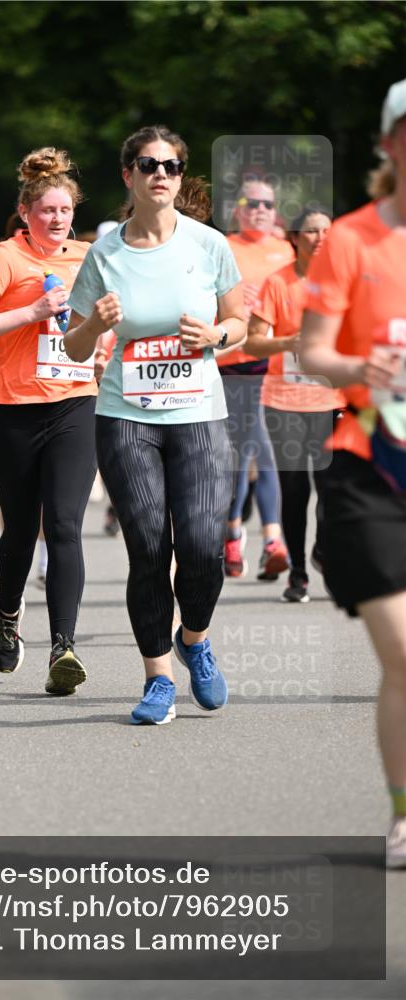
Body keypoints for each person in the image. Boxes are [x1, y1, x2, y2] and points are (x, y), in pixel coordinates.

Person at [65, 124, 246, 724]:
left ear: (178, 174)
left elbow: (239, 322)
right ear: (129, 176)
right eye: (147, 165)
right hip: (125, 416)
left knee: (201, 547)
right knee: (148, 548)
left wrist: (216, 334)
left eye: (169, 165)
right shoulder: (105, 253)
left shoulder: (208, 244)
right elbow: (71, 346)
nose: (159, 174)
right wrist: (95, 325)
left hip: (197, 413)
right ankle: (157, 681)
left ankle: (193, 639)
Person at [300, 79, 406, 868]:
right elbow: (312, 351)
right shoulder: (349, 239)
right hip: (370, 464)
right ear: (387, 143)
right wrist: (360, 365)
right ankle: (403, 814)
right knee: (403, 655)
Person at [0, 148, 96, 696]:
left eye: (64, 211)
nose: (56, 220)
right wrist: (32, 313)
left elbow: (107, 316)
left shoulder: (88, 257)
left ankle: (64, 647)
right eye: (46, 211)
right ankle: (8, 617)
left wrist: (103, 337)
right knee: (20, 528)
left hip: (74, 405)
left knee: (63, 525)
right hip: (12, 411)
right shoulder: (5, 258)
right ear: (25, 212)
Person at [246, 206, 345, 602]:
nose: (319, 239)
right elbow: (253, 341)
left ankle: (323, 550)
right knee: (294, 487)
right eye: (311, 232)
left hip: (332, 399)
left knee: (332, 487)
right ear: (294, 238)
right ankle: (299, 574)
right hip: (284, 400)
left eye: (326, 232)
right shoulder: (277, 283)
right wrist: (288, 343)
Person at [220, 179, 293, 580]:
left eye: (268, 203)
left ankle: (258, 537)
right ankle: (250, 534)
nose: (260, 209)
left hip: (278, 364)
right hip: (234, 362)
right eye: (252, 202)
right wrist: (230, 302)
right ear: (237, 209)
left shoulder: (285, 249)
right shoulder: (223, 247)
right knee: (246, 452)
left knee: (258, 451)